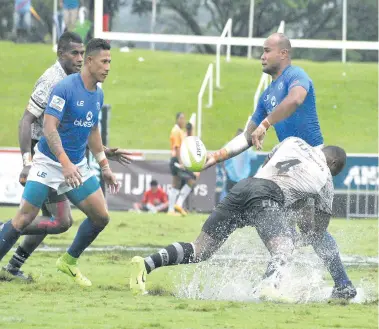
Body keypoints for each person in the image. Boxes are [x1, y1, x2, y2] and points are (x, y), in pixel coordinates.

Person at [200, 33, 355, 299]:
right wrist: (218, 155)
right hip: (288, 167)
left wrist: (266, 124)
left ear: (283, 53)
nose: (262, 55)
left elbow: (295, 100)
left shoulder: (297, 75)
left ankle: (328, 284)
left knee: (303, 230)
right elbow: (248, 135)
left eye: (267, 50)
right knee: (296, 229)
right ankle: (331, 285)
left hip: (309, 164)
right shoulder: (266, 95)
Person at [130, 137, 356, 300]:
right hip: (267, 197)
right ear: (334, 165)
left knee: (200, 249)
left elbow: (269, 163)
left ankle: (146, 264)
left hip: (243, 188)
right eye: (336, 172)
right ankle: (267, 289)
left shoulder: (293, 141)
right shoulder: (326, 176)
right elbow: (319, 226)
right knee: (284, 249)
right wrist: (302, 237)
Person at [2, 32, 131, 281]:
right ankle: (8, 240)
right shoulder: (56, 83)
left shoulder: (96, 91)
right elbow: (32, 122)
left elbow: (89, 128)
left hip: (74, 163)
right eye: (76, 53)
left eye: (83, 53)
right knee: (34, 218)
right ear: (62, 54)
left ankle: (64, 260)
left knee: (86, 218)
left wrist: (104, 160)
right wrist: (27, 162)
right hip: (48, 159)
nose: (80, 58)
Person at [168, 112, 197, 216]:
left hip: (177, 159)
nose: (183, 120)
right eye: (181, 118)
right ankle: (177, 205)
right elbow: (177, 147)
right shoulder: (176, 131)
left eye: (184, 118)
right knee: (191, 179)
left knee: (176, 183)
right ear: (177, 119)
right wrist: (181, 162)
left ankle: (172, 209)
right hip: (177, 160)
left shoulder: (180, 131)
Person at [221, 128, 257, 200]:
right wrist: (225, 170)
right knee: (231, 198)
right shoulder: (230, 146)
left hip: (241, 179)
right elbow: (222, 158)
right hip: (232, 177)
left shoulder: (247, 148)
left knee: (238, 199)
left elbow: (254, 156)